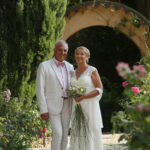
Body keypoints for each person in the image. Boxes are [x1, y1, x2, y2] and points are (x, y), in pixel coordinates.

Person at [36, 40, 74, 150]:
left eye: (65, 50)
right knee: (58, 133)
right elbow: (39, 89)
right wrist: (43, 110)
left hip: (67, 105)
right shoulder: (44, 66)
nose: (62, 52)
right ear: (54, 50)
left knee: (65, 135)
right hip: (52, 106)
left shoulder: (70, 66)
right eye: (60, 50)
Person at [69, 46, 103, 150]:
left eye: (82, 54)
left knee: (90, 130)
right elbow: (71, 88)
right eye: (77, 53)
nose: (79, 56)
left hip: (89, 105)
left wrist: (84, 96)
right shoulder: (73, 72)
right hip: (77, 105)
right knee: (78, 130)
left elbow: (99, 89)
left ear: (87, 56)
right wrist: (73, 94)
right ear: (74, 56)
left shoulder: (92, 70)